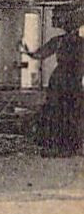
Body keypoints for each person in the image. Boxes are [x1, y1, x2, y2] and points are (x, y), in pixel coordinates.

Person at [24, 10, 83, 158]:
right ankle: (73, 145)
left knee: (56, 110)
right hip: (74, 78)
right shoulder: (80, 42)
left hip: (58, 79)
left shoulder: (59, 40)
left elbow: (38, 54)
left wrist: (25, 50)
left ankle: (55, 145)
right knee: (73, 111)